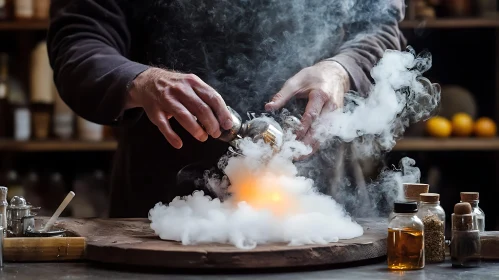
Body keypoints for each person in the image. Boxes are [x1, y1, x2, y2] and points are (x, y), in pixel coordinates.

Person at [48, 0, 406, 218]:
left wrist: (342, 69)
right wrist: (142, 80)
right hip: (169, 206)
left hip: (315, 199)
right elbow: (79, 38)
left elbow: (379, 27)